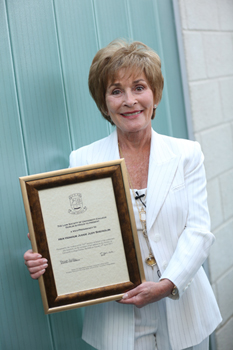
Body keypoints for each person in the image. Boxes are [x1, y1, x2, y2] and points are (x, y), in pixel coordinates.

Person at [24, 40, 222, 350]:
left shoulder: (186, 154)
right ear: (104, 104)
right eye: (116, 91)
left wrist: (166, 285)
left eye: (139, 87)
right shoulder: (83, 161)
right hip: (116, 319)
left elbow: (198, 230)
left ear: (154, 94)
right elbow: (75, 237)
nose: (129, 101)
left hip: (182, 310)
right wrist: (46, 257)